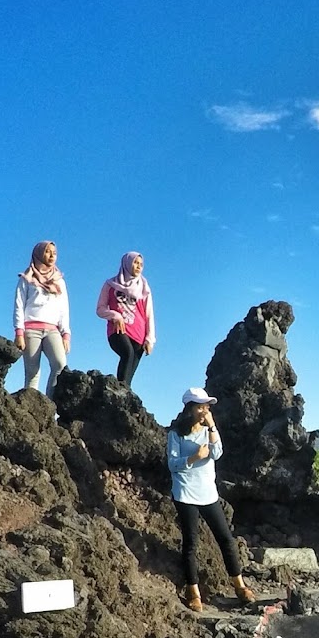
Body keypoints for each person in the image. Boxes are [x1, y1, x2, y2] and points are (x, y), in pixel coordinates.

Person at [166, 387, 255, 612]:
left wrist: (212, 426)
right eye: (201, 406)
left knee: (226, 538)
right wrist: (194, 457)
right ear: (190, 408)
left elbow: (217, 453)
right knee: (191, 543)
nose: (205, 410)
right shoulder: (176, 433)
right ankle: (193, 591)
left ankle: (239, 585)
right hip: (185, 492)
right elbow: (172, 464)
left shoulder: (209, 430)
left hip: (208, 493)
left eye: (207, 406)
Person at [13, 240, 71, 397]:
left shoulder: (59, 280)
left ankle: (49, 407)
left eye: (54, 252)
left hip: (53, 330)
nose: (52, 255)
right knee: (32, 372)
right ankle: (30, 411)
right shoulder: (26, 278)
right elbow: (19, 305)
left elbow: (63, 309)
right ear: (38, 254)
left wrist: (66, 333)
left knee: (60, 365)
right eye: (47, 251)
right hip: (31, 330)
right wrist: (19, 333)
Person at [96, 251, 155, 387]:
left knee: (129, 377)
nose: (139, 266)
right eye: (135, 263)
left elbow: (149, 314)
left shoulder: (144, 288)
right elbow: (100, 309)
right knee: (127, 353)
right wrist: (115, 315)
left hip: (139, 335)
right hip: (118, 329)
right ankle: (119, 392)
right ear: (127, 263)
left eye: (141, 264)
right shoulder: (110, 284)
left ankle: (123, 398)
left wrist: (150, 339)